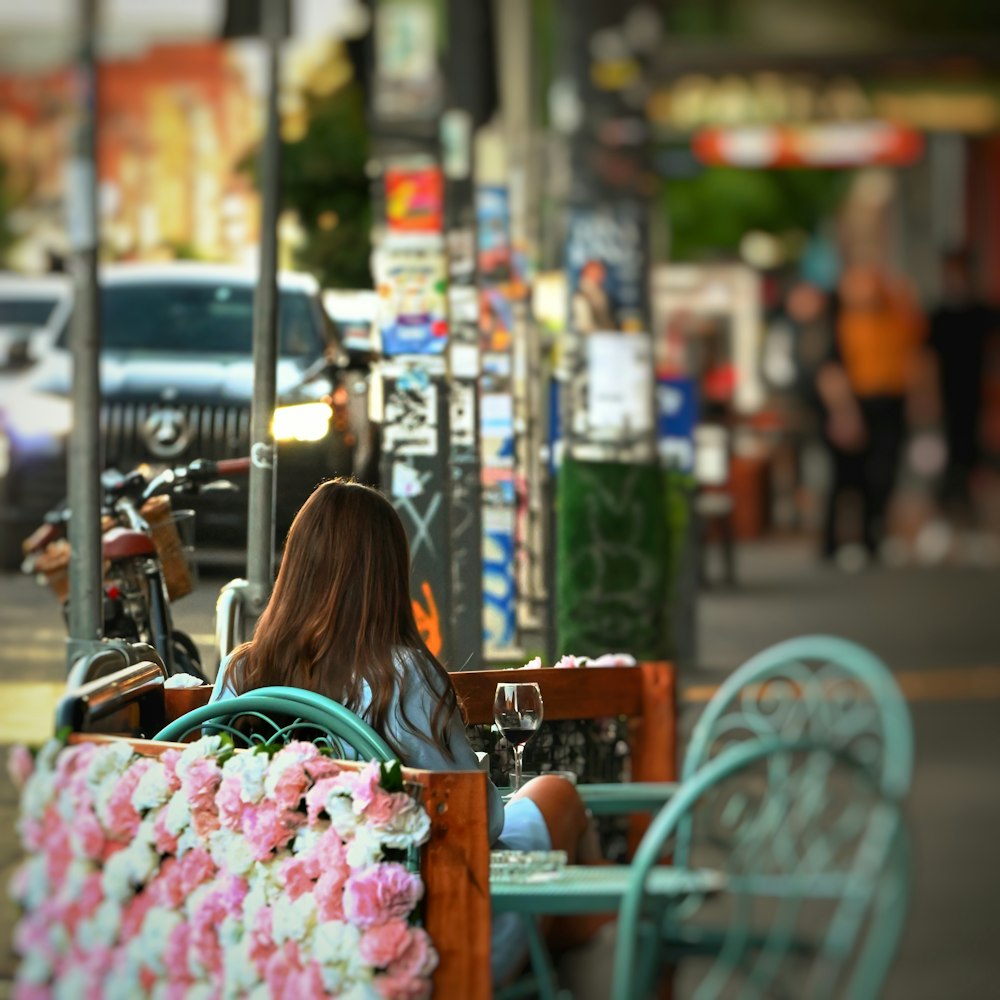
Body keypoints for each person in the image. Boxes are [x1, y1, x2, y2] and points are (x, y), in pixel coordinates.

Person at [210, 478, 604, 984]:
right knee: (556, 795)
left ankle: (587, 943)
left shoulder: (239, 675)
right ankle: (615, 937)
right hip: (416, 936)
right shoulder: (400, 673)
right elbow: (479, 818)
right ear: (388, 578)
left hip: (285, 928)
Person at [817, 264, 928, 563]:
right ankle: (833, 545)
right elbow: (831, 372)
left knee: (883, 474)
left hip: (891, 403)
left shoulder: (897, 321)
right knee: (846, 479)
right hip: (856, 404)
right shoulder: (842, 325)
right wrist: (845, 412)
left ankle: (871, 538)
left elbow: (915, 357)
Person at [929, 250, 998, 524]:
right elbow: (927, 359)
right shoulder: (939, 316)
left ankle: (976, 516)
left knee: (976, 457)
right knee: (950, 459)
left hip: (982, 398)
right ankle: (950, 514)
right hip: (947, 398)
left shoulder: (985, 313)